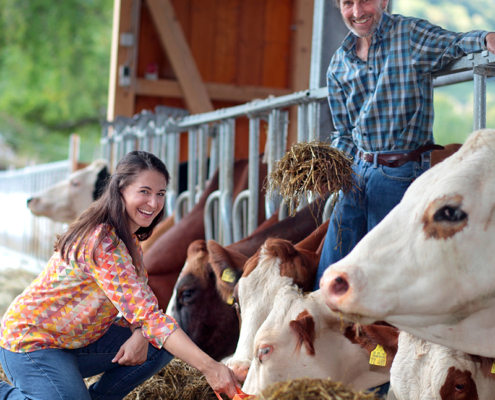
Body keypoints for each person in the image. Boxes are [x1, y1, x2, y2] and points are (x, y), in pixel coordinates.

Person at [0, 151, 240, 400]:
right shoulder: (102, 242)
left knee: (159, 343)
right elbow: (149, 316)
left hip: (76, 341)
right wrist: (211, 368)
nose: (154, 203)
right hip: (31, 343)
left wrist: (139, 332)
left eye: (160, 194)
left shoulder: (128, 240)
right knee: (158, 331)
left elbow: (140, 304)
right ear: (120, 190)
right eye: (144, 191)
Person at [314, 0, 495, 290]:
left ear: (383, 1)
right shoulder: (339, 62)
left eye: (366, 1)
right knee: (330, 270)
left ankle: (381, 334)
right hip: (355, 173)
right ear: (339, 7)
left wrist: (486, 38)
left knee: (382, 276)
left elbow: (456, 42)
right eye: (348, 3)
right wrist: (331, 166)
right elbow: (344, 133)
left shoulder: (409, 35)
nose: (358, 12)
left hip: (399, 172)